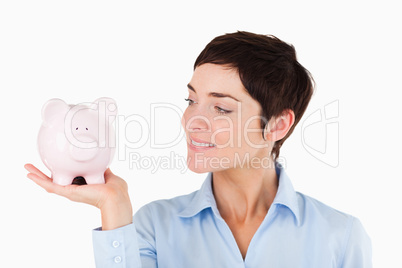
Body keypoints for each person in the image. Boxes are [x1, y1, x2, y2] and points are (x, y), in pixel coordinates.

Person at [25, 31, 372, 267]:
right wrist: (113, 205)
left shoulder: (339, 237)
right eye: (191, 100)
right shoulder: (154, 227)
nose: (192, 120)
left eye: (220, 108)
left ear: (278, 125)